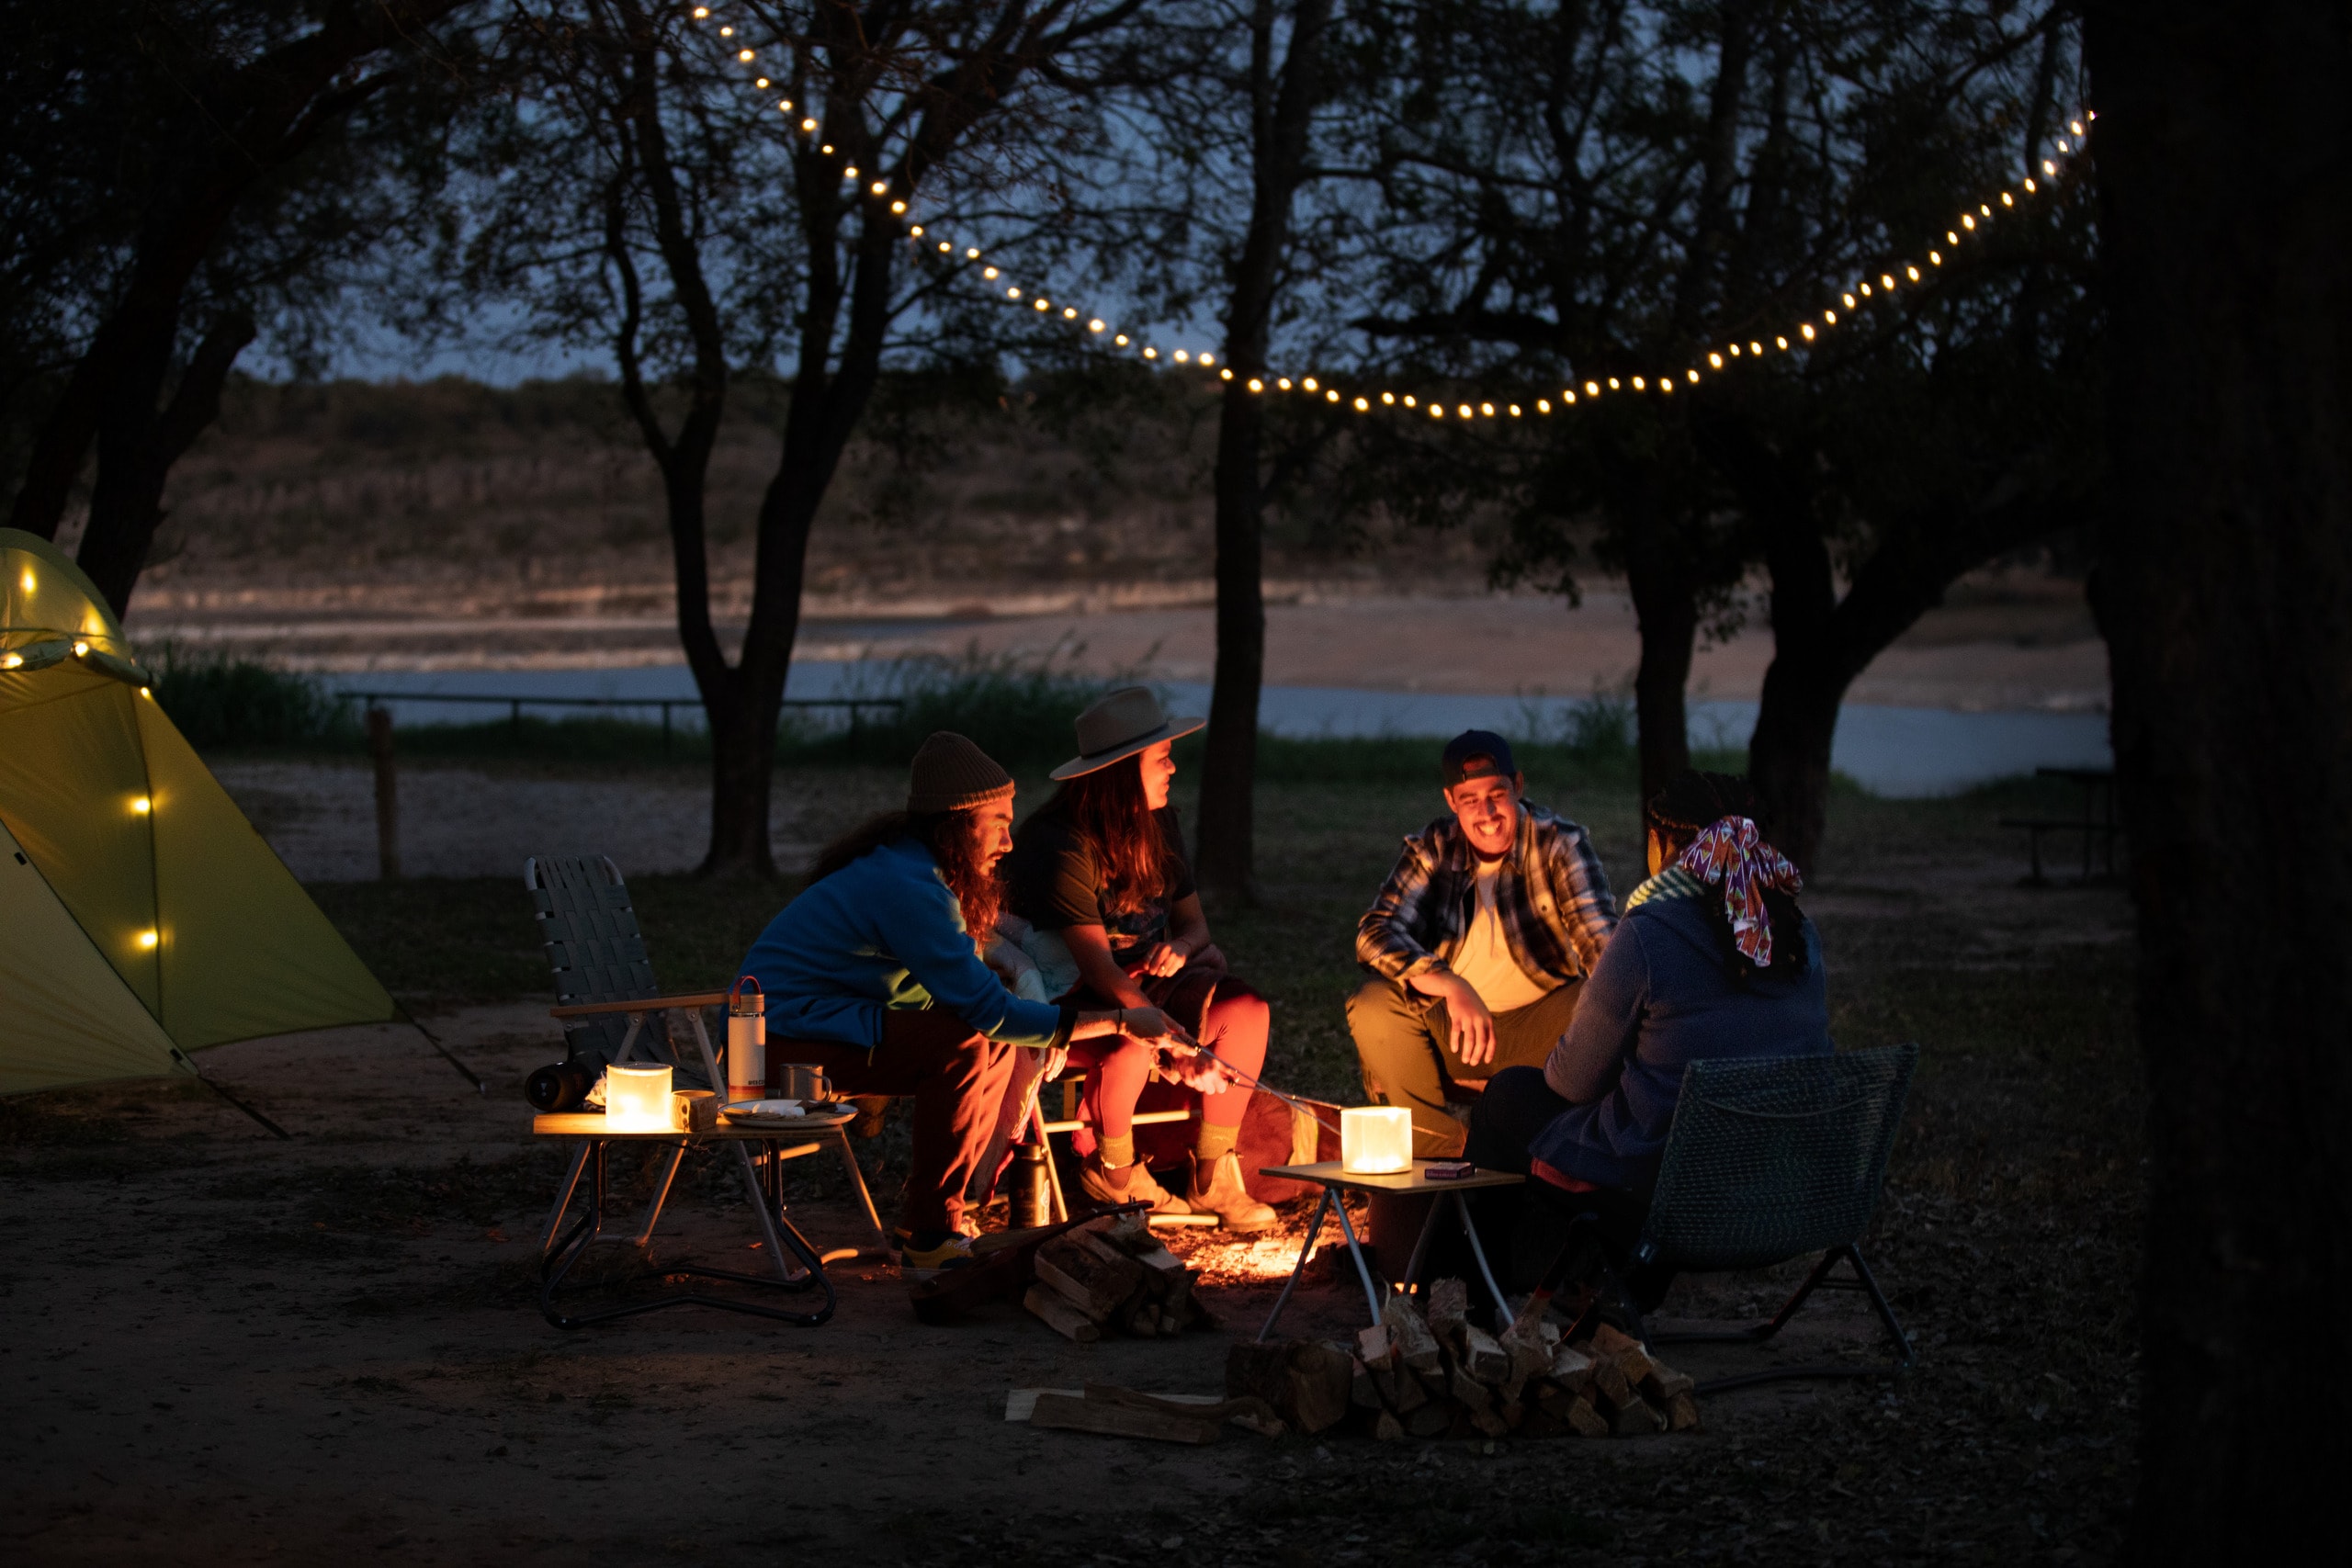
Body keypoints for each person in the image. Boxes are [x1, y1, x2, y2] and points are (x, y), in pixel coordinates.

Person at [740, 730, 1189, 1274]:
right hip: (766, 1047)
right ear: (955, 825)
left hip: (826, 1026)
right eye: (997, 823)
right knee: (965, 1041)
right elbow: (991, 1014)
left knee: (985, 1042)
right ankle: (932, 1234)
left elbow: (972, 997)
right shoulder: (909, 886)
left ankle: (938, 1219)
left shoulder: (919, 870)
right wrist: (1119, 1021)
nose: (1009, 843)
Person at [1464, 769, 1832, 1301]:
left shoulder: (1650, 933)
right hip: (1779, 1181)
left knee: (1506, 1097)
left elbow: (1571, 1082)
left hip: (1664, 1191)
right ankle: (1597, 1287)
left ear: (1663, 845)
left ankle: (1475, 1295)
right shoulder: (1800, 933)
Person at [1001, 686, 1279, 1232]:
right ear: (1123, 772)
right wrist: (1172, 1042)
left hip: (1148, 979)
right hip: (1075, 992)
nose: (1173, 767)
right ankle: (1116, 1174)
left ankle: (1214, 1177)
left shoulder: (1160, 825)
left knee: (1246, 1010)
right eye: (1161, 757)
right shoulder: (1061, 844)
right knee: (1128, 1042)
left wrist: (1182, 947)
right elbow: (1097, 969)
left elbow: (1195, 925)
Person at [1348, 729, 1619, 1157]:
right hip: (1455, 1029)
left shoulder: (1558, 842)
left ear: (1518, 786)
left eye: (1497, 794)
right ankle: (1444, 1148)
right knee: (1373, 1005)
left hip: (1542, 1027)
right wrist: (1448, 983)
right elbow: (1375, 932)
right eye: (1470, 800)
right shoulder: (1434, 848)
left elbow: (1599, 942)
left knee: (1601, 1001)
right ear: (1451, 801)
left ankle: (1561, 1147)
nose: (1487, 813)